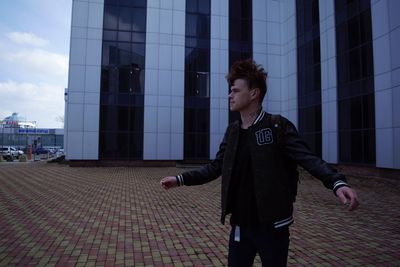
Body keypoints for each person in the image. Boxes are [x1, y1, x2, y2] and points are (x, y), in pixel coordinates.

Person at [160, 59, 359, 266]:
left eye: (235, 90)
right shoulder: (233, 131)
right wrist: (179, 179)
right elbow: (215, 167)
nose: (230, 95)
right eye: (231, 90)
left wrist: (337, 183)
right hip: (240, 226)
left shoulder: (277, 127)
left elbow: (308, 158)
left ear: (254, 93)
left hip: (273, 227)